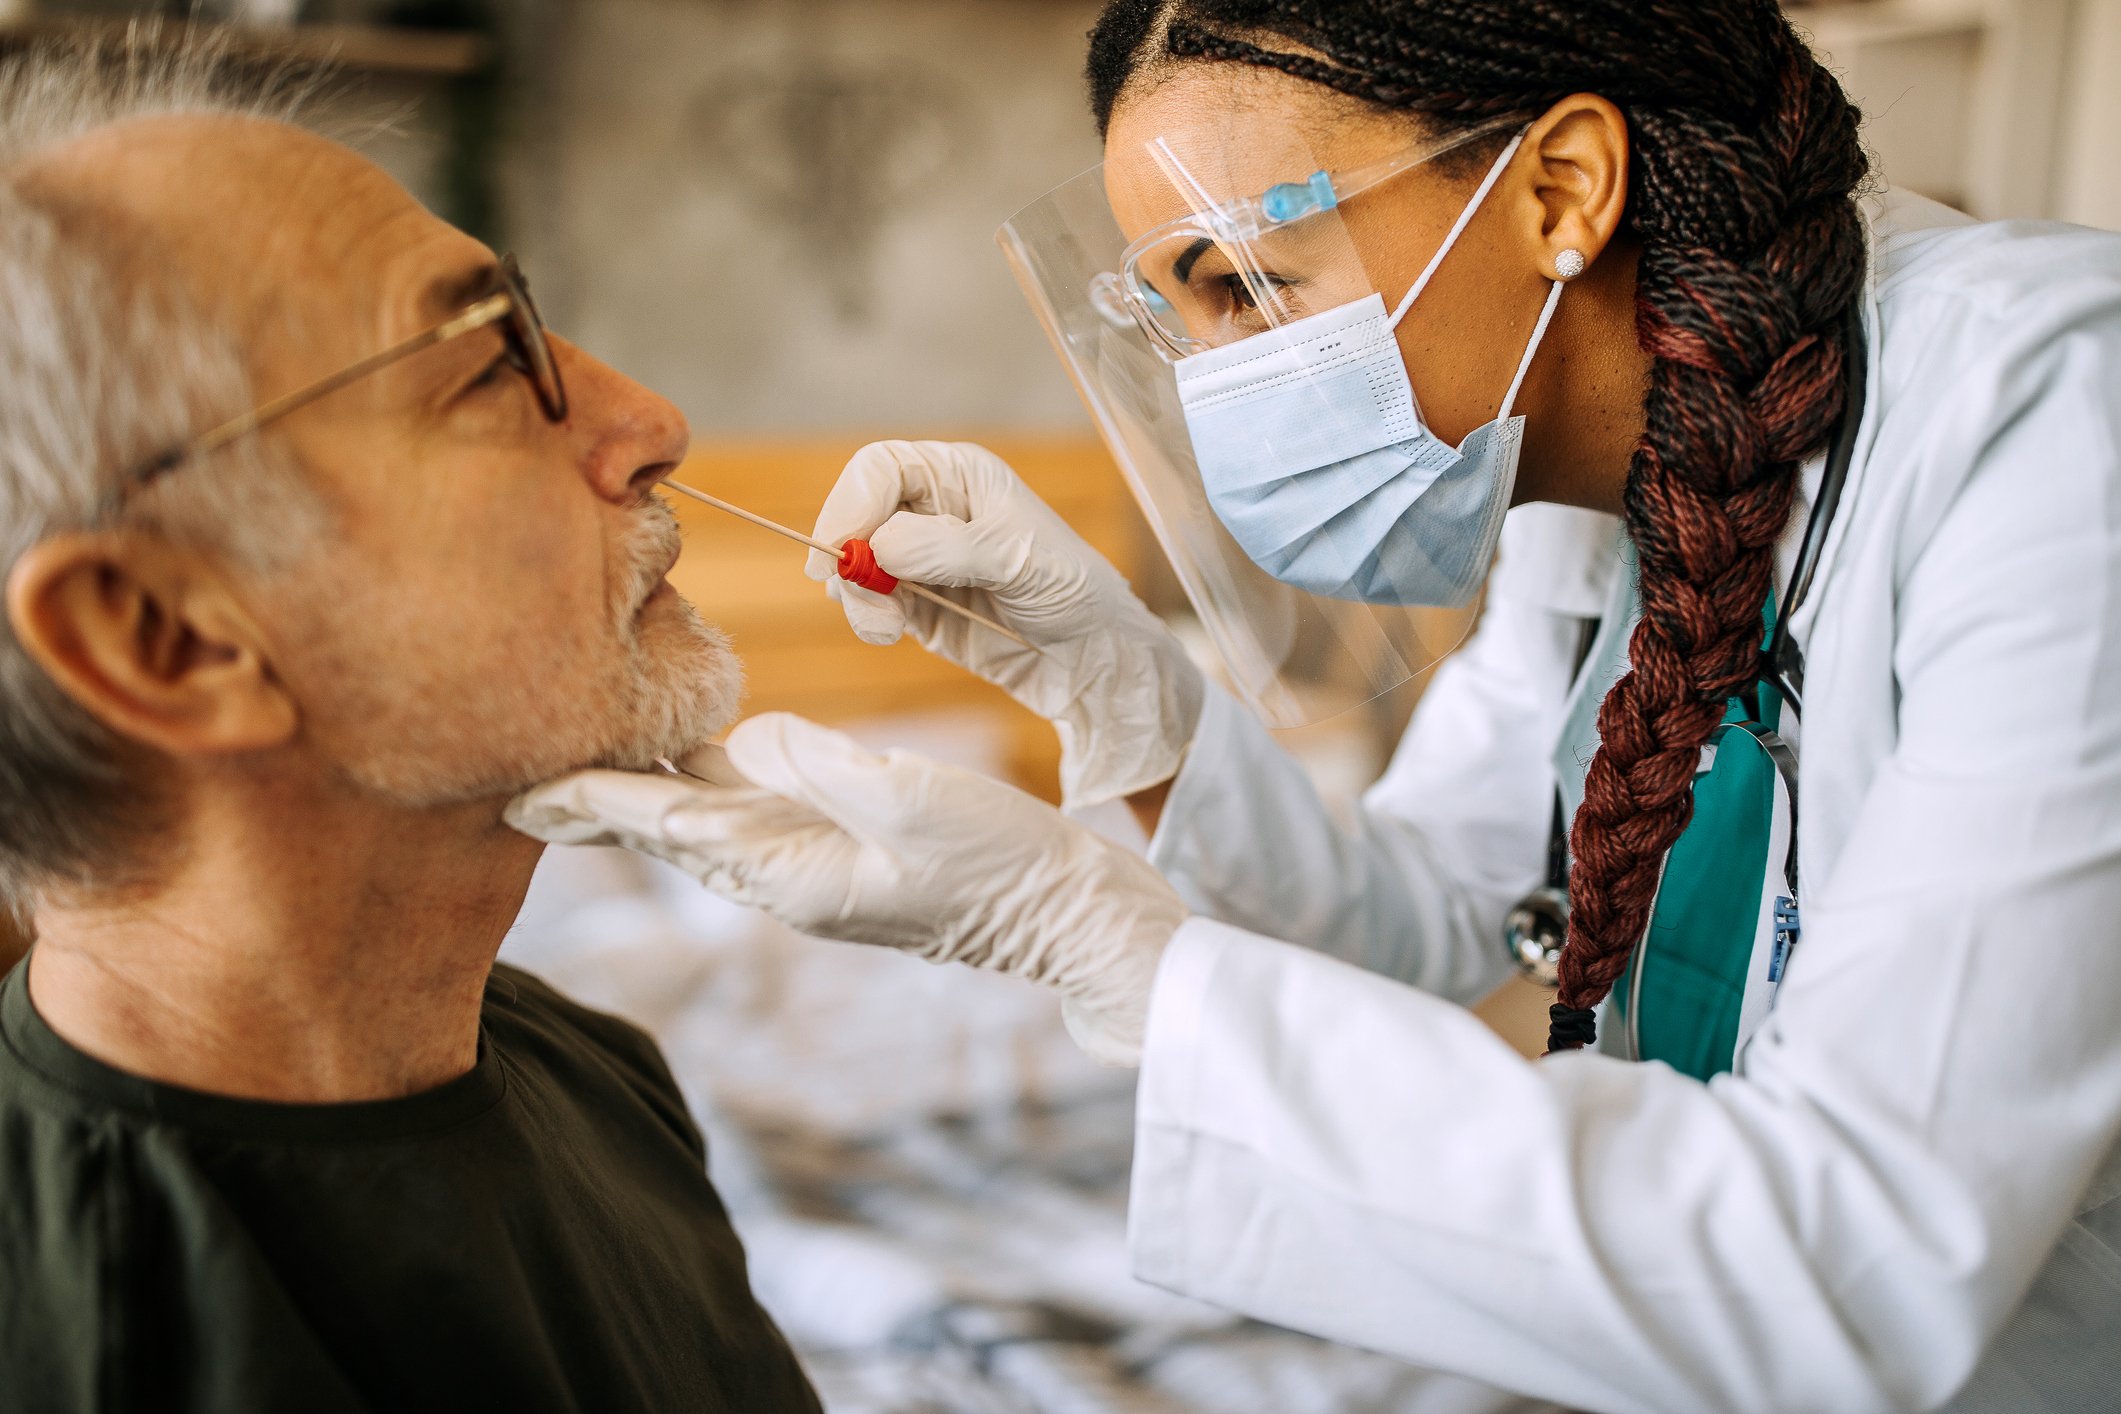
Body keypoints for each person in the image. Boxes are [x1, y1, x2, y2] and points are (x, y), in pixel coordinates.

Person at [512, 0, 2121, 1409]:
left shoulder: (2057, 416)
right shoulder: (1589, 477)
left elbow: (1870, 1258)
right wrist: (1112, 682)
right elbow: (1428, 922)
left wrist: (1094, 944)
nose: (1217, 385)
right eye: (1171, 314)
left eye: (1244, 284)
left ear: (1558, 190)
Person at [0, 38, 819, 1413]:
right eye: (485, 365)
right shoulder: (90, 1355)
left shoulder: (585, 1070)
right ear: (170, 640)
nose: (650, 421)